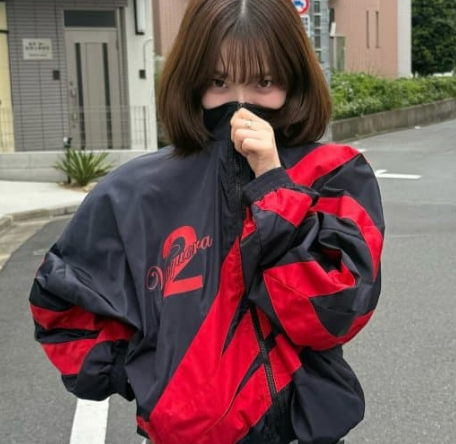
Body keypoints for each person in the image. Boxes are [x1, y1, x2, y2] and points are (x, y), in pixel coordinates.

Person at [29, 0, 385, 443]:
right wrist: (139, 372)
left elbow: (335, 311)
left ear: (294, 80)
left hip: (300, 433)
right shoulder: (136, 190)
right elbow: (60, 300)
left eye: (264, 81)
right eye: (219, 82)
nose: (241, 104)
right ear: (192, 81)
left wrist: (274, 186)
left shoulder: (332, 173)